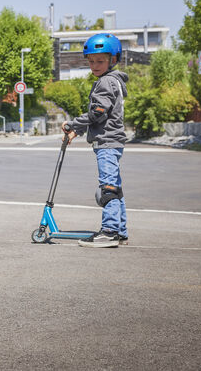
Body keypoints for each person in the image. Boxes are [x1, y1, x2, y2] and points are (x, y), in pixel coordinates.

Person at [63, 33, 129, 248]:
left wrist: (73, 124)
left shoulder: (105, 82)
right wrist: (78, 132)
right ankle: (120, 230)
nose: (94, 65)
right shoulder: (114, 82)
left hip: (107, 143)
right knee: (115, 187)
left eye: (100, 60)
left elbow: (98, 113)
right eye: (91, 61)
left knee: (107, 188)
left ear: (113, 59)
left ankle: (109, 232)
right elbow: (102, 117)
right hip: (113, 141)